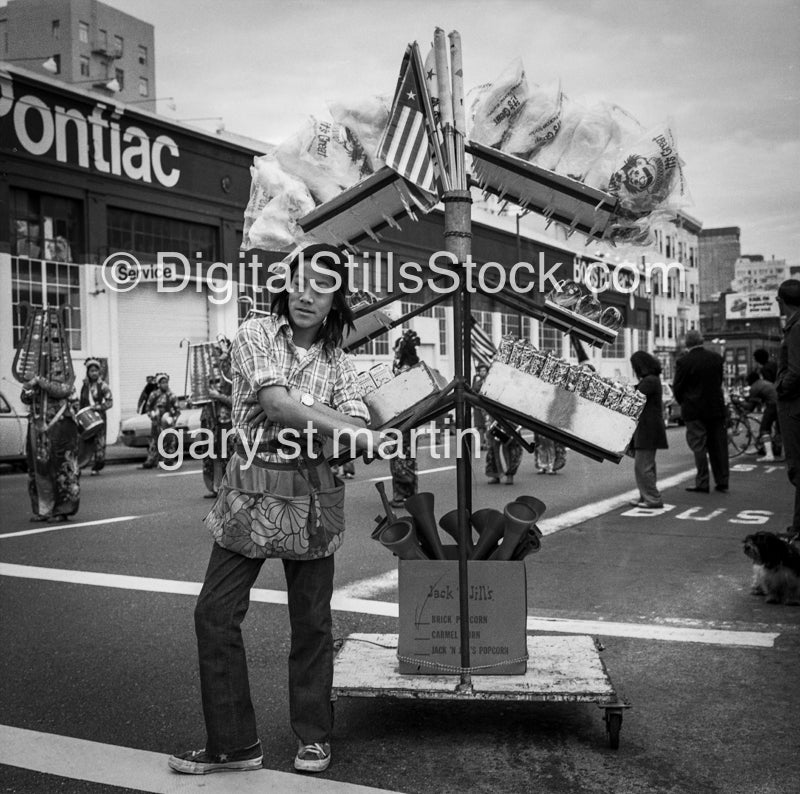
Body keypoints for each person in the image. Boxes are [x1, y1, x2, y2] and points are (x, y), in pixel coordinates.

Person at [168, 244, 383, 776]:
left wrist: (341, 428)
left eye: (323, 285)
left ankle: (314, 735)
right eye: (300, 281)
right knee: (215, 615)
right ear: (284, 285)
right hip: (249, 495)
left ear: (337, 299)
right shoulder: (255, 334)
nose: (307, 294)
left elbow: (347, 434)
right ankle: (234, 744)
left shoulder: (340, 361)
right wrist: (341, 424)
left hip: (313, 502)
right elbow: (277, 405)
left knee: (311, 623)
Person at [21, 365, 80, 522]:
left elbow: (64, 390)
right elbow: (25, 397)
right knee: (38, 468)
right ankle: (44, 509)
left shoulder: (64, 371)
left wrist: (41, 381)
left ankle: (62, 510)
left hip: (60, 426)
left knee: (62, 468)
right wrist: (28, 386)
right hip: (38, 426)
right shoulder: (36, 372)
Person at [673, 329, 729, 493]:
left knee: (699, 446)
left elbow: (678, 387)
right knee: (718, 446)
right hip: (715, 408)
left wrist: (684, 401)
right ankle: (722, 480)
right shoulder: (716, 359)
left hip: (694, 409)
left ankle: (702, 481)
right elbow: (719, 382)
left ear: (687, 343)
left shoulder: (684, 362)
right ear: (702, 341)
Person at [775, 279, 800, 539]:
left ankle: (798, 528)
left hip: (793, 406)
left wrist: (780, 388)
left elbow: (796, 371)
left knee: (797, 468)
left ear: (782, 302)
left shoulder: (796, 328)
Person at [628, 351, 668, 508]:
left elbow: (634, 396)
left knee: (643, 466)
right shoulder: (652, 380)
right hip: (649, 428)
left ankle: (652, 498)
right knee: (645, 465)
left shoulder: (649, 381)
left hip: (647, 429)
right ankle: (646, 496)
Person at [389, 330, 421, 507]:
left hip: (406, 420)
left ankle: (405, 496)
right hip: (401, 420)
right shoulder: (404, 367)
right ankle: (404, 494)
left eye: (396, 349)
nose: (395, 351)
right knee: (399, 458)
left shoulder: (408, 370)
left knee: (403, 458)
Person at [200, 344, 234, 497]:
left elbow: (236, 401)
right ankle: (215, 487)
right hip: (211, 421)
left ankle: (230, 488)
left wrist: (218, 396)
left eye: (218, 356)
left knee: (226, 455)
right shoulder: (210, 377)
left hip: (226, 420)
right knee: (211, 455)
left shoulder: (232, 375)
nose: (216, 360)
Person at [77, 358, 113, 475]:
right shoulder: (85, 385)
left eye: (96, 371)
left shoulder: (103, 386)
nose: (94, 373)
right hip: (86, 418)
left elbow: (109, 402)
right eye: (91, 371)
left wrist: (97, 407)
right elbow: (81, 401)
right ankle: (80, 465)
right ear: (88, 372)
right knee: (84, 443)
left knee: (99, 443)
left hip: (99, 417)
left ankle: (97, 466)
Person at [141, 373, 180, 469]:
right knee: (155, 441)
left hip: (168, 423)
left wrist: (173, 419)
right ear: (158, 384)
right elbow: (148, 408)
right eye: (162, 382)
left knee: (170, 441)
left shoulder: (172, 395)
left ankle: (168, 460)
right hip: (157, 422)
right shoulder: (154, 395)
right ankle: (152, 460)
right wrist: (152, 415)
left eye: (166, 382)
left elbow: (177, 410)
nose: (165, 384)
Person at [744, 369, 781, 462]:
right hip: (781, 404)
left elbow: (750, 407)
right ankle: (778, 450)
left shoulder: (754, 387)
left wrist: (740, 402)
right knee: (779, 429)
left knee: (764, 429)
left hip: (772, 405)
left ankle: (769, 455)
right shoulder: (764, 383)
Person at [486, 416, 524, 484]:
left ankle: (510, 475)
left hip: (508, 416)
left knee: (510, 446)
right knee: (493, 448)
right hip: (493, 415)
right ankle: (496, 474)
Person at [471, 363, 489, 449]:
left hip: (487, 407)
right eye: (481, 371)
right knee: (480, 427)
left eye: (484, 370)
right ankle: (482, 443)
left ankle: (488, 443)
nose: (482, 372)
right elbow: (473, 390)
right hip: (478, 407)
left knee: (488, 426)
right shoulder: (476, 380)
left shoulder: (489, 380)